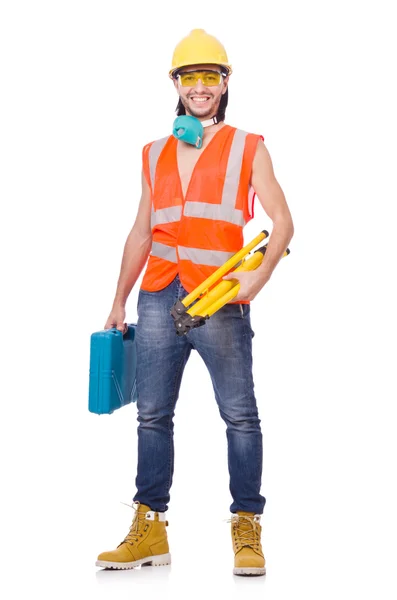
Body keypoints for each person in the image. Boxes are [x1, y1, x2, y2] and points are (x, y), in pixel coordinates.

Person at [96, 28, 294, 576]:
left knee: (240, 417)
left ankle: (247, 526)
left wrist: (256, 280)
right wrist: (119, 300)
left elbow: (283, 224)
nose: (200, 87)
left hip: (221, 298)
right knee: (152, 416)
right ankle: (148, 529)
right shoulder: (154, 152)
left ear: (225, 83)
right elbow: (141, 232)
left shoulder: (249, 146)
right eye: (190, 78)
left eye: (210, 77)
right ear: (177, 85)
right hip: (159, 295)